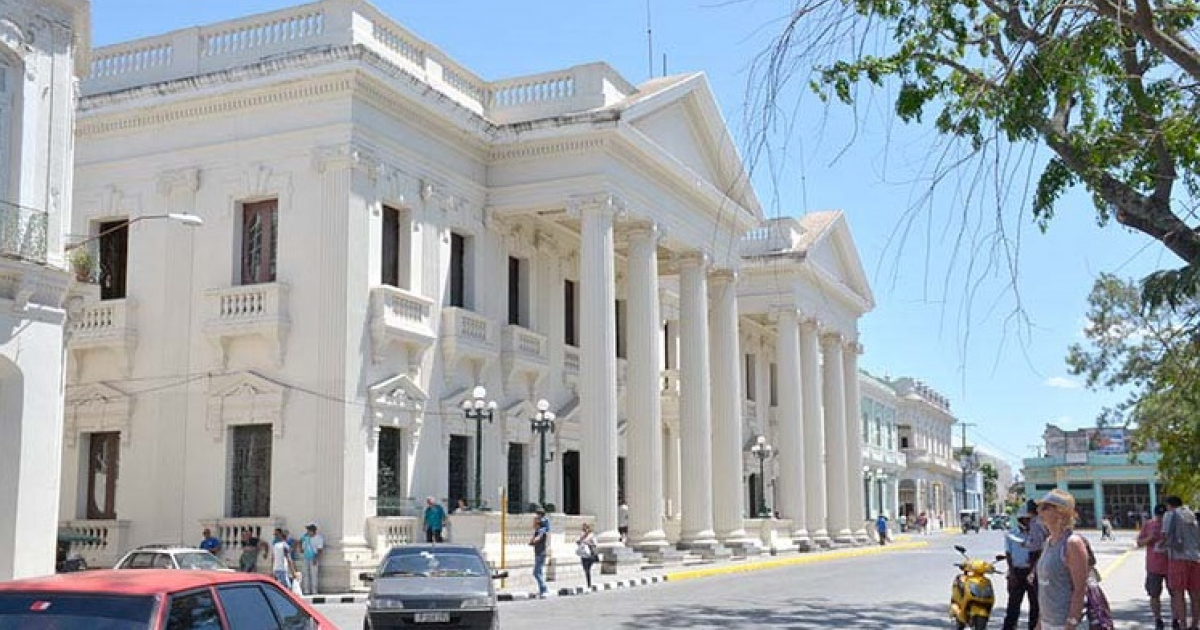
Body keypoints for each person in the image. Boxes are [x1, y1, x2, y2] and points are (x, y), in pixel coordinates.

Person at [1034, 488, 1090, 630]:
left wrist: (1071, 622)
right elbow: (1047, 588)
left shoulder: (1072, 544)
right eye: (1039, 507)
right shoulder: (1048, 542)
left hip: (1065, 624)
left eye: (1045, 507)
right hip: (1048, 623)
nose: (1039, 511)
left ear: (1061, 513)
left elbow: (1080, 589)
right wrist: (1040, 623)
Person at [1161, 495, 1200, 630]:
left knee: (1178, 592)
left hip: (1178, 557)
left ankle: (1182, 623)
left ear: (1169, 505)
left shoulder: (1169, 515)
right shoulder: (1191, 514)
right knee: (1195, 593)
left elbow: (1165, 535)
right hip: (1195, 558)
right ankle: (1195, 623)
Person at [1002, 507, 1040, 630]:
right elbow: (1008, 554)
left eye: (1028, 519)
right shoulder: (1011, 534)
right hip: (1017, 572)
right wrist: (1012, 573)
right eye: (1024, 519)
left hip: (1033, 572)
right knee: (1013, 605)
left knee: (1035, 605)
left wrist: (1033, 570)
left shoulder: (1036, 535)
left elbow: (1039, 552)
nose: (1026, 522)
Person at [1138, 504, 1170, 630]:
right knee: (1154, 594)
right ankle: (1158, 619)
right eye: (1159, 516)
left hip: (1170, 564)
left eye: (1163, 516)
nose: (1160, 518)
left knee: (1175, 594)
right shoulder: (1149, 524)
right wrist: (1149, 538)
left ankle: (1176, 619)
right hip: (1153, 566)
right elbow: (1139, 542)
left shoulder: (1170, 524)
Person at [529, 508, 549, 598]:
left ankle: (544, 589)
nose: (533, 523)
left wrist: (534, 541)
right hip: (538, 552)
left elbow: (539, 537)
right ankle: (542, 590)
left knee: (536, 572)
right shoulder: (537, 531)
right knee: (539, 572)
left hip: (541, 553)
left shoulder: (541, 530)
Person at [300, 523, 324, 595]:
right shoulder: (306, 538)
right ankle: (306, 590)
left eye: (309, 530)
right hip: (306, 557)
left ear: (313, 531)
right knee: (305, 574)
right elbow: (301, 544)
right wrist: (301, 549)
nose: (307, 532)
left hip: (313, 558)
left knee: (314, 575)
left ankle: (314, 591)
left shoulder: (319, 538)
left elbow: (320, 550)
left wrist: (315, 559)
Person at [575, 522, 598, 590]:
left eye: (586, 528)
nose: (584, 529)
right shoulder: (582, 535)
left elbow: (595, 545)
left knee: (588, 569)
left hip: (590, 555)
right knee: (586, 570)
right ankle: (589, 584)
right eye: (583, 528)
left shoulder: (591, 535)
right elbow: (578, 542)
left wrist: (588, 543)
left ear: (588, 528)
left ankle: (589, 585)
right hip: (583, 554)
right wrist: (580, 541)